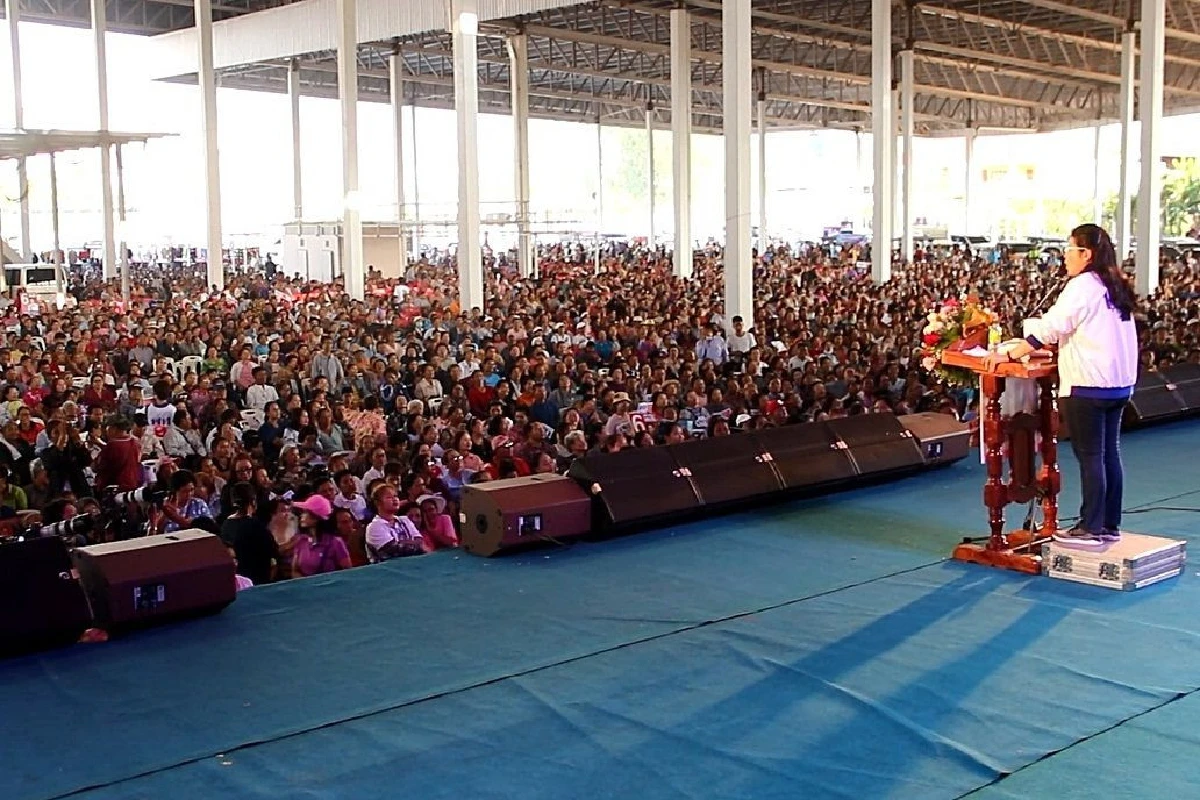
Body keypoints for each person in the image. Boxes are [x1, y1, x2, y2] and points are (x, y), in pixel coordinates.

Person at [984, 223, 1138, 546]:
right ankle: (1110, 523)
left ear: (1086, 254)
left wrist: (1015, 350)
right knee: (1110, 453)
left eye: (1069, 250)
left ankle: (1091, 526)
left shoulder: (1083, 285)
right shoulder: (1114, 284)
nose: (1065, 257)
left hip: (1090, 384)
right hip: (1119, 384)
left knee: (1092, 456)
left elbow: (1053, 326)